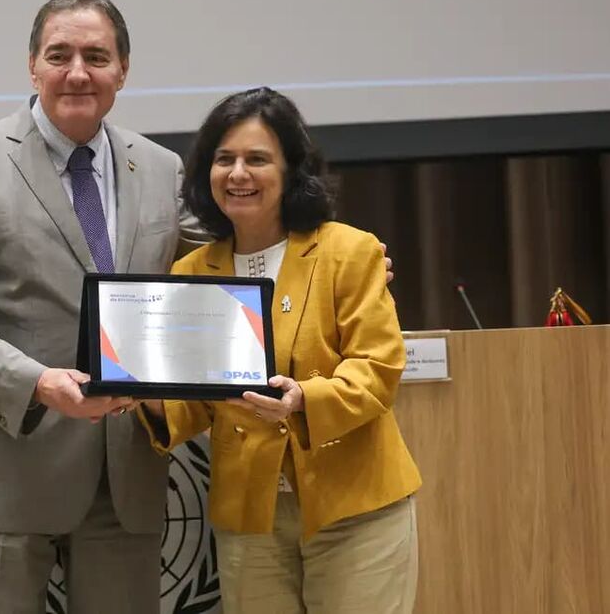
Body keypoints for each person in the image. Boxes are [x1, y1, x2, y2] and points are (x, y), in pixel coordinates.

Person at [0, 0, 206, 613]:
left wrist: (340, 261)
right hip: (5, 466)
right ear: (32, 66)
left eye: (97, 56)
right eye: (60, 54)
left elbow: (230, 257)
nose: (78, 72)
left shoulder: (161, 169)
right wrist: (39, 383)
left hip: (122, 476)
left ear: (123, 70)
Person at [141, 87, 421, 613]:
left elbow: (378, 369)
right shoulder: (191, 272)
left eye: (257, 159)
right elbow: (195, 401)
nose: (238, 173)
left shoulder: (349, 251)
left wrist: (302, 399)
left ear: (292, 170)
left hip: (355, 509)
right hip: (250, 518)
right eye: (224, 159)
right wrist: (137, 391)